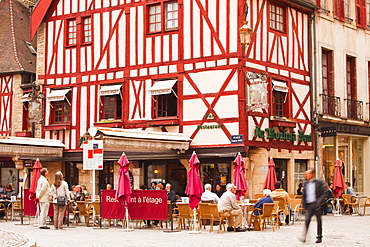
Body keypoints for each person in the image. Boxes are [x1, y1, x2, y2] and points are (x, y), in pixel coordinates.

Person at [299, 169, 326, 244]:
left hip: (317, 204)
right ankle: (304, 236)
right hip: (309, 205)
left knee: (319, 221)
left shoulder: (319, 183)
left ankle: (319, 237)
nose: (306, 176)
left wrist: (319, 202)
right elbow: (304, 195)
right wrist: (304, 204)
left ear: (312, 174)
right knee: (307, 220)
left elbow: (323, 194)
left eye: (307, 174)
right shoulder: (305, 183)